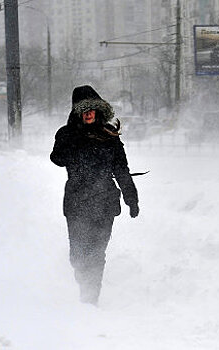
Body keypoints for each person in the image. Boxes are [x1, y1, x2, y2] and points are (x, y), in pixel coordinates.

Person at [50, 85, 139, 305]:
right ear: (77, 112)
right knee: (77, 256)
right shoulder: (67, 134)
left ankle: (90, 298)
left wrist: (131, 198)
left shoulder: (109, 135)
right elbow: (57, 158)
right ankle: (84, 286)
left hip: (104, 202)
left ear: (99, 110)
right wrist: (73, 136)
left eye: (92, 109)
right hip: (77, 202)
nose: (88, 113)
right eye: (83, 110)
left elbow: (121, 169)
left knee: (96, 253)